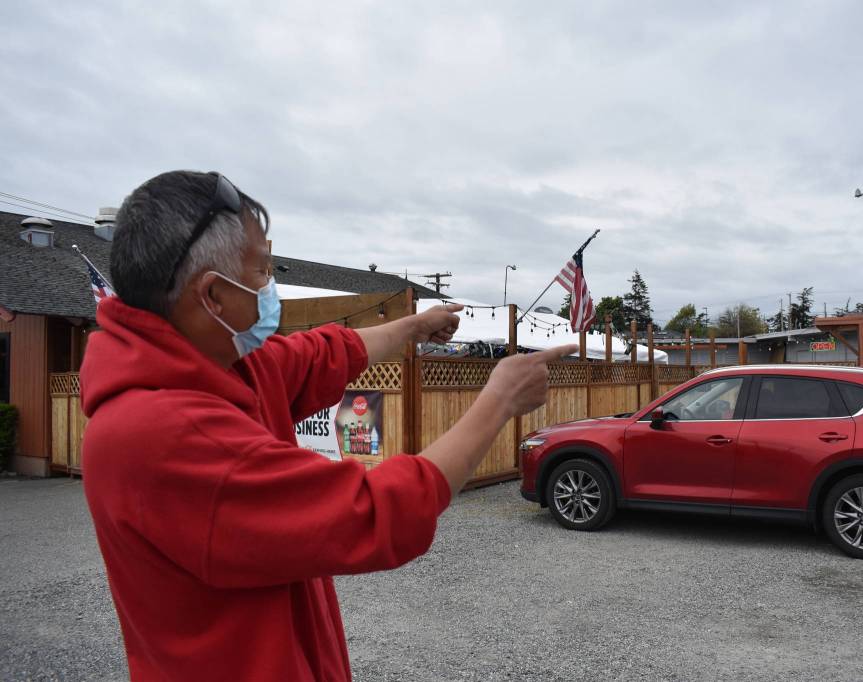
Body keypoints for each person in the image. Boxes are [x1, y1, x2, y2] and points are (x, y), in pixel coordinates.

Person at [80, 170, 576, 681]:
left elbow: (319, 356)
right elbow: (377, 512)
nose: (269, 286)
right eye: (262, 269)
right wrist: (498, 401)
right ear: (212, 296)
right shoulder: (164, 435)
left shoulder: (219, 362)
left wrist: (413, 326)